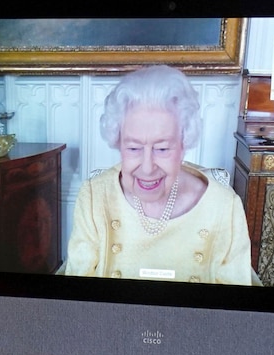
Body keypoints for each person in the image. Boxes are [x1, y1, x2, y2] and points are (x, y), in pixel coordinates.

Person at [64, 65, 257, 286]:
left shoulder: (224, 206)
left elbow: (234, 310)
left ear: (184, 144)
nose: (147, 168)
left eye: (163, 149)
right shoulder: (93, 198)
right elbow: (75, 297)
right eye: (134, 148)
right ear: (118, 143)